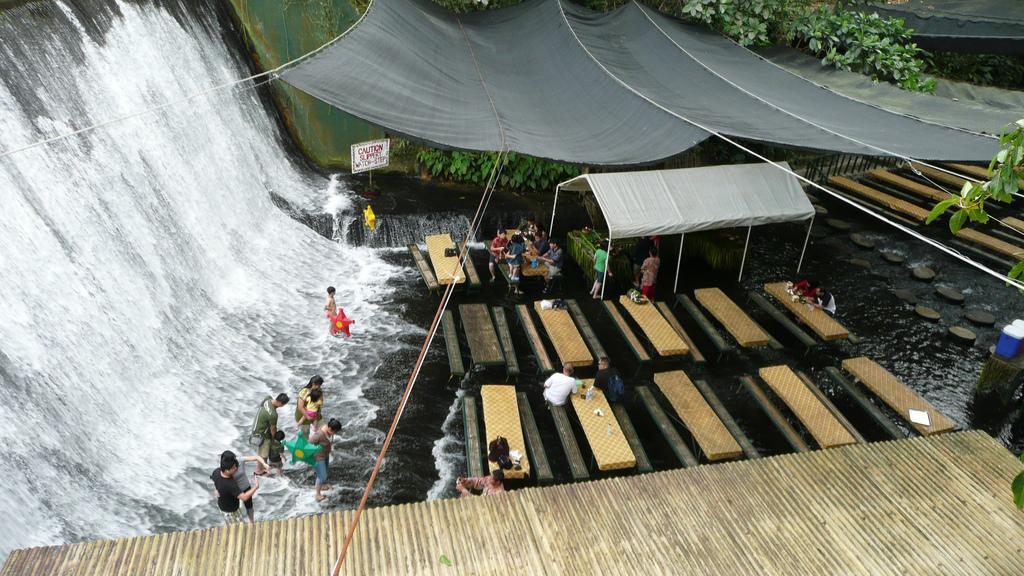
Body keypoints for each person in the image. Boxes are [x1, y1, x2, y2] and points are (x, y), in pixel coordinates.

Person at [211, 451, 259, 525]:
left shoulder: (216, 472)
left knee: (231, 525)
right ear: (227, 470)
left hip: (222, 506)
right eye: (233, 468)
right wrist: (255, 486)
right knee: (240, 528)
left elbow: (213, 479)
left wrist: (216, 489)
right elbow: (244, 497)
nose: (236, 468)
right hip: (231, 511)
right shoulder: (231, 484)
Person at [226, 450, 270, 524]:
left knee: (249, 506)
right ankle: (237, 524)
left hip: (245, 487)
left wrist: (264, 463)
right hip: (235, 490)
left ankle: (251, 522)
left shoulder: (240, 460)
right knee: (234, 508)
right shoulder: (227, 468)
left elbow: (256, 457)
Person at [309, 418, 342, 502]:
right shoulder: (319, 434)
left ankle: (320, 485)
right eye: (335, 432)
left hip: (325, 455)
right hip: (318, 457)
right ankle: (317, 495)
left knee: (324, 473)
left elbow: (329, 439)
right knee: (322, 475)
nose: (335, 434)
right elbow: (309, 443)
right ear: (330, 428)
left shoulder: (329, 430)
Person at [252, 393, 289, 461]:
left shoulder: (268, 399)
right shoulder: (273, 414)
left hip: (255, 427)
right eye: (283, 405)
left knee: (260, 453)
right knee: (264, 455)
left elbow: (262, 407)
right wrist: (273, 439)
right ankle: (260, 471)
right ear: (281, 403)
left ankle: (261, 469)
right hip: (262, 434)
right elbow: (273, 429)